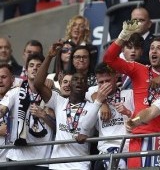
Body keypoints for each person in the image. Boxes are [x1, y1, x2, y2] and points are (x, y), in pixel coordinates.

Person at [103, 22, 160, 168]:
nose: (153, 51)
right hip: (138, 136)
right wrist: (122, 37)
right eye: (152, 48)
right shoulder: (139, 69)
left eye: (159, 48)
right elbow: (109, 59)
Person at [34, 41, 111, 170]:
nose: (79, 82)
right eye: (75, 79)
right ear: (69, 85)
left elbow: (92, 127)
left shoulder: (93, 106)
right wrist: (49, 57)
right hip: (56, 164)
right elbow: (38, 83)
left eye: (82, 80)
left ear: (87, 87)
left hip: (80, 165)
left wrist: (100, 103)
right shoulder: (59, 101)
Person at [0, 53, 54, 168]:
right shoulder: (15, 92)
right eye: (31, 65)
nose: (35, 68)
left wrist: (44, 115)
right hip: (16, 158)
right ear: (26, 70)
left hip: (42, 161)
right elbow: (2, 110)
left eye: (39, 65)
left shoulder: (52, 95)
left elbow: (59, 127)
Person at [87, 62, 134, 170]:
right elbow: (91, 92)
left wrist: (127, 112)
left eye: (108, 81)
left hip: (126, 150)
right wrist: (102, 103)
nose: (104, 85)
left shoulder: (129, 94)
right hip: (103, 152)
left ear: (115, 76)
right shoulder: (93, 94)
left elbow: (139, 119)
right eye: (101, 82)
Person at [0, 63, 14, 162]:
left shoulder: (20, 98)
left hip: (13, 160)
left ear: (12, 79)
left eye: (3, 77)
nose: (0, 81)